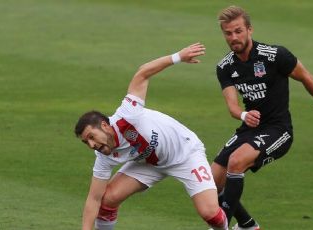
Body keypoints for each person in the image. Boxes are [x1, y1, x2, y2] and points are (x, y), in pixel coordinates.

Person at [74, 43, 228, 230]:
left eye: (91, 136)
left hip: (185, 153)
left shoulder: (127, 115)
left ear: (105, 125)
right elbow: (93, 199)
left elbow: (143, 73)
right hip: (150, 163)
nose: (90, 144)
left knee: (211, 215)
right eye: (85, 142)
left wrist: (178, 56)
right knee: (107, 200)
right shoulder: (103, 155)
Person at [211, 5, 313, 230]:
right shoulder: (225, 66)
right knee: (212, 179)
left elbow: (304, 76)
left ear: (250, 30)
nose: (233, 37)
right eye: (228, 33)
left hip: (278, 130)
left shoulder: (275, 56)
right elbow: (232, 106)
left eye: (238, 31)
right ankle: (247, 225)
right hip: (250, 128)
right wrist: (245, 115)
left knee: (236, 162)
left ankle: (222, 225)